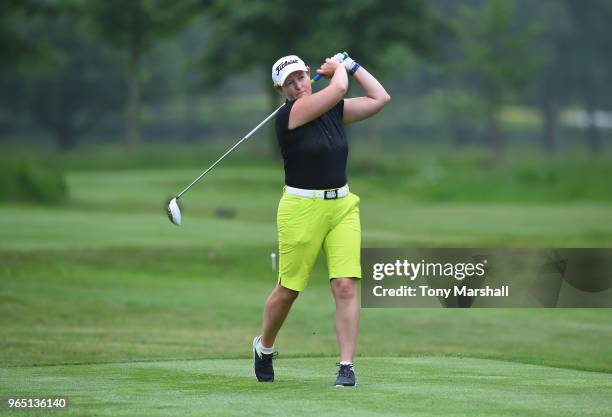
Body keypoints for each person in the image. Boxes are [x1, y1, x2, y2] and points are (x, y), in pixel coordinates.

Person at [252, 52, 390, 387]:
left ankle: (346, 365)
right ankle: (264, 347)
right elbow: (339, 87)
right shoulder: (291, 115)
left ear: (307, 76)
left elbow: (380, 97)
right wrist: (339, 69)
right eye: (290, 83)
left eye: (301, 77)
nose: (298, 85)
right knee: (289, 290)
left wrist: (354, 65)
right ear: (280, 90)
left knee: (345, 285)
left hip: (342, 206)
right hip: (301, 208)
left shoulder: (331, 109)